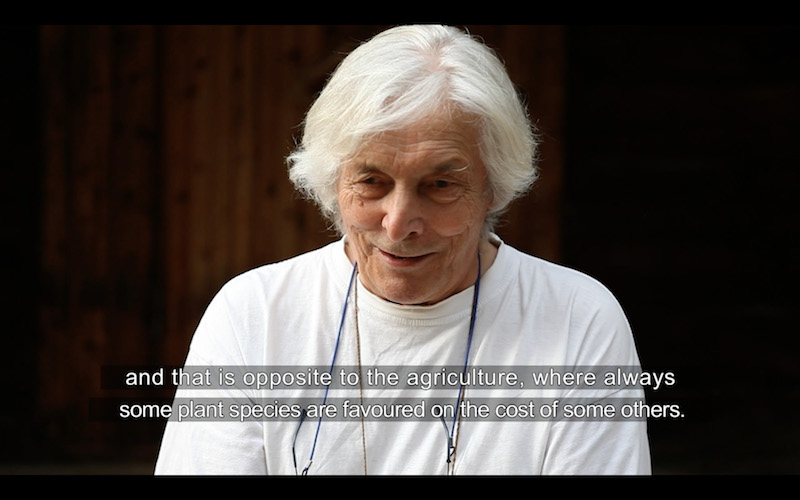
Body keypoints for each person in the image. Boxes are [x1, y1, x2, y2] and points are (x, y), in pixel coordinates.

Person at [154, 24, 651, 475]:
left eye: (439, 184)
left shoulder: (577, 319)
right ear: (333, 181)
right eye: (371, 181)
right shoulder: (255, 315)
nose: (398, 224)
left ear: (494, 186)